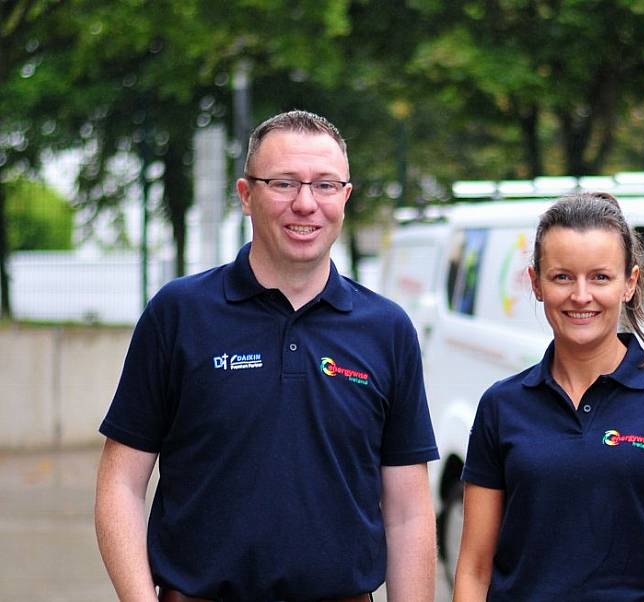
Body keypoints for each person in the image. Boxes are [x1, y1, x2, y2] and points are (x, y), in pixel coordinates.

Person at [94, 110, 438, 602]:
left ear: (345, 197)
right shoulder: (180, 314)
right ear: (245, 195)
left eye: (324, 185)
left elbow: (407, 511)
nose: (305, 204)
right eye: (283, 183)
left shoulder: (387, 330)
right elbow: (121, 483)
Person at [452, 192, 644, 601]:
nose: (581, 296)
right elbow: (474, 570)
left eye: (600, 277)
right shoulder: (500, 406)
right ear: (537, 283)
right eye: (563, 277)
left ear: (629, 283)